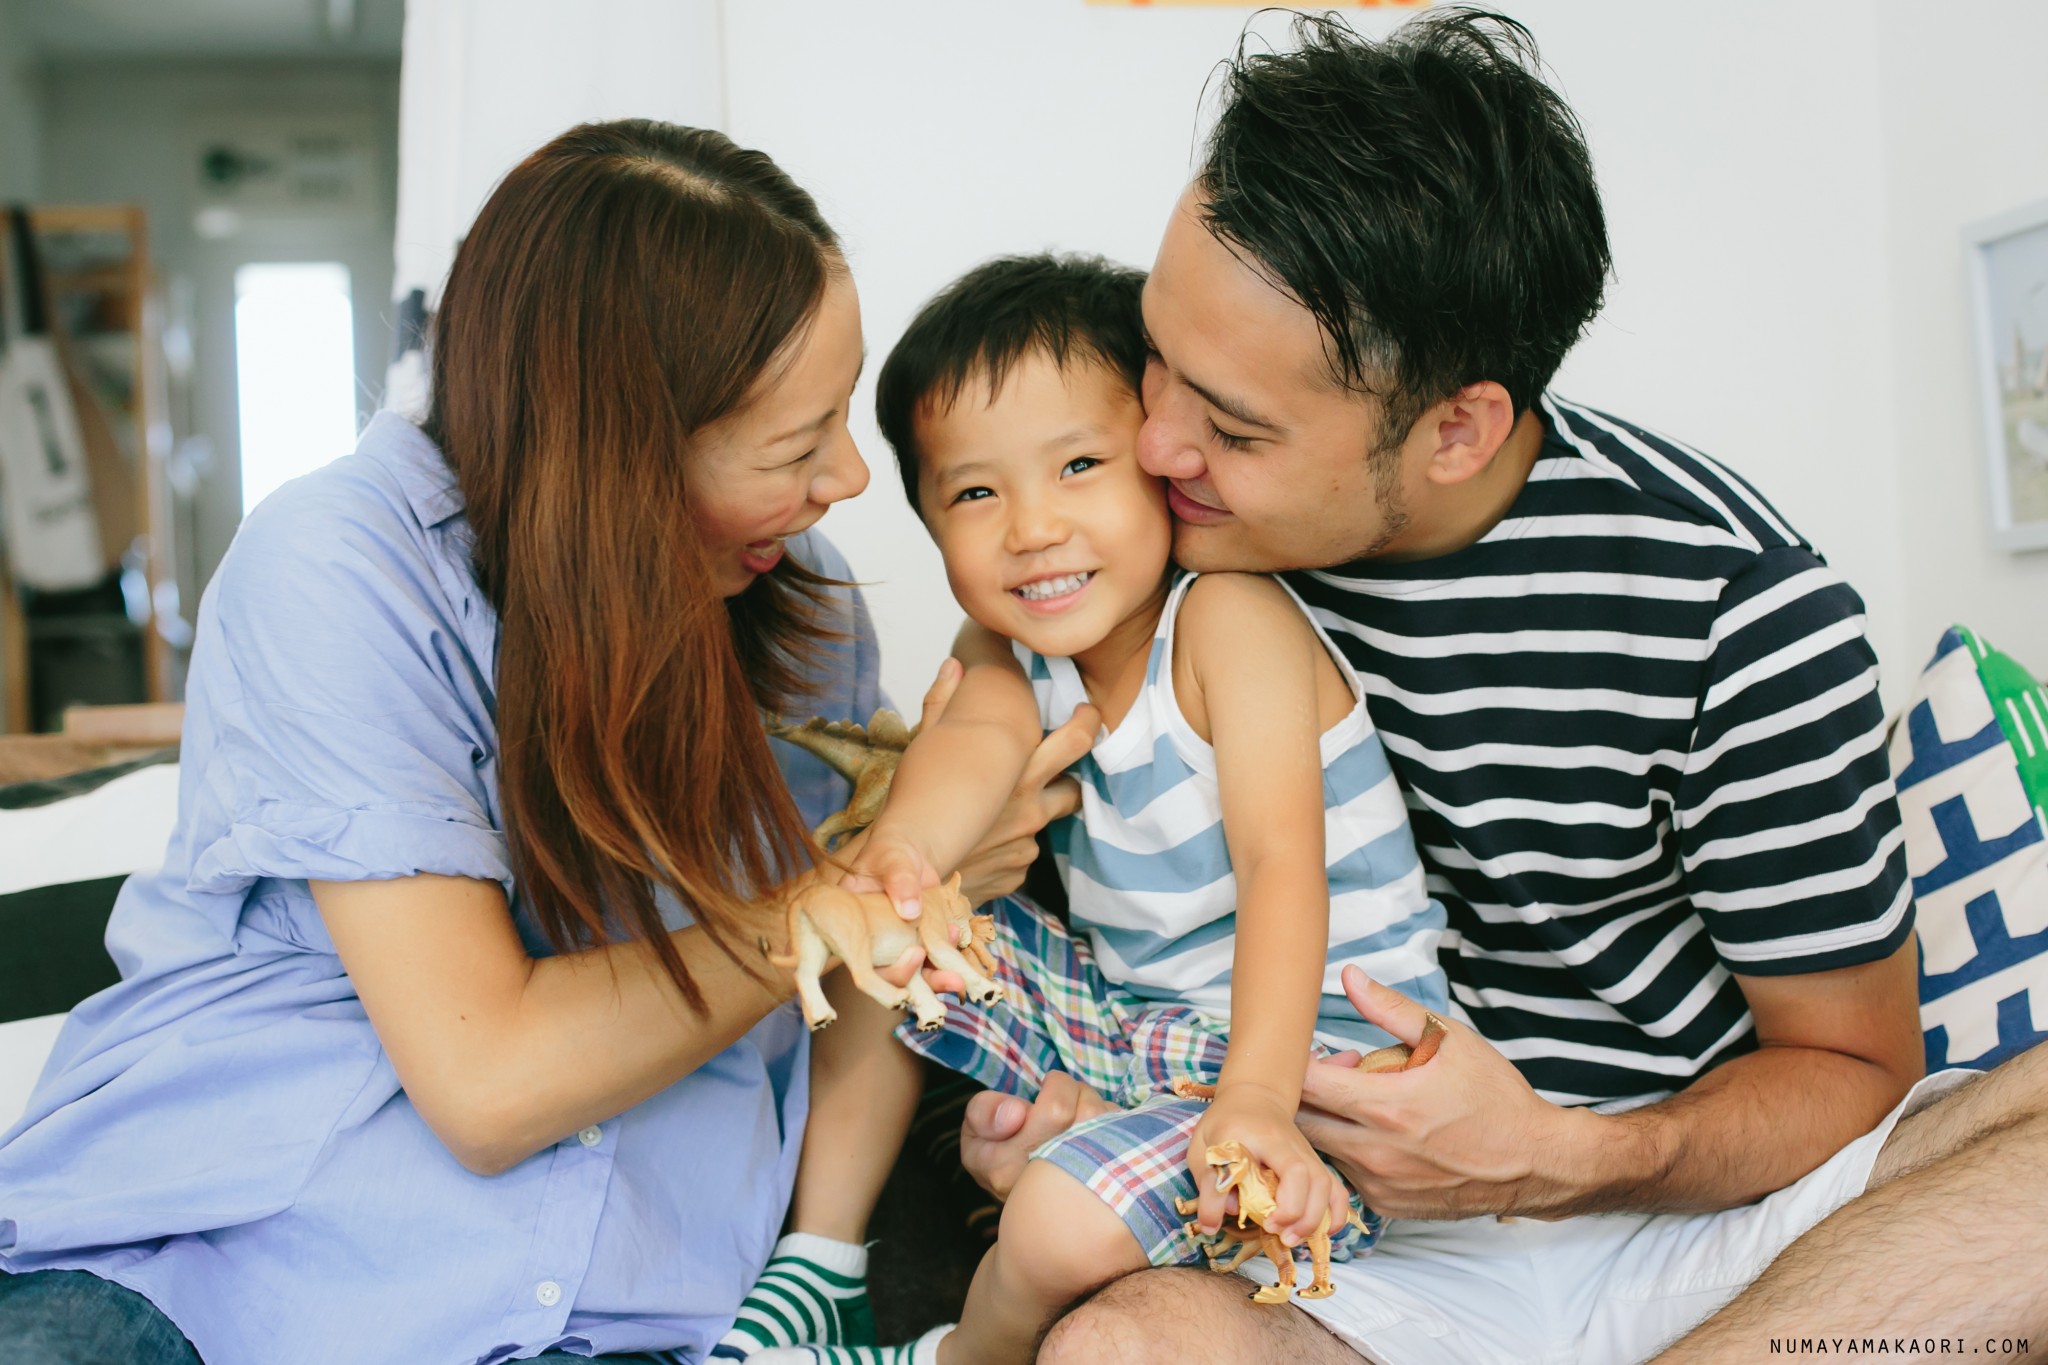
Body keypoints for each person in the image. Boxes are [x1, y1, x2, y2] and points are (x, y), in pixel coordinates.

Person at [926, 11, 2042, 1363]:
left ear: (1457, 429)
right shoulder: (1134, 550)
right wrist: (1054, 1110)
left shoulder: (1733, 610)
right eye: (1158, 360)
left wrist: (1560, 1159)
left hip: (1697, 1226)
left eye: (1234, 427)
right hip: (1344, 1242)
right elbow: (1069, 916)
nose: (1154, 444)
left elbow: (1861, 1068)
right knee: (1116, 1349)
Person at [0, 119, 1083, 1365]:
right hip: (219, 1282)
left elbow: (871, 971)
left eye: (840, 419)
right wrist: (834, 905)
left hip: (621, 1319)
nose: (846, 475)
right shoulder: (342, 566)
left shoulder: (798, 602)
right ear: (617, 453)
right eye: (798, 444)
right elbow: (490, 1080)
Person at [737, 253, 1449, 1365]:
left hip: (1318, 1064)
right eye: (975, 492)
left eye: (1077, 465)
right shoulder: (1009, 651)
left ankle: (949, 1359)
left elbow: (1280, 869)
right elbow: (967, 748)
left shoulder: (1226, 623)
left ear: (1164, 462)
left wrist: (1255, 1103)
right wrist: (896, 871)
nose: (1031, 527)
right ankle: (818, 1262)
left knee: (1058, 1220)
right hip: (1143, 1035)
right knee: (897, 931)